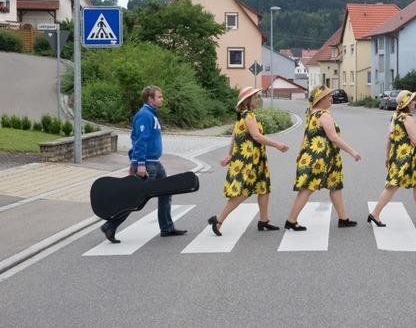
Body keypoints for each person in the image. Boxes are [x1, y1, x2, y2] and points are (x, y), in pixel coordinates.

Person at [100, 85, 187, 243]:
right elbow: (140, 141)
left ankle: (167, 228)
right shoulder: (144, 115)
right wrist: (139, 164)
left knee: (166, 193)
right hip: (147, 164)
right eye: (159, 97)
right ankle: (110, 225)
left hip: (154, 163)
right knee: (135, 198)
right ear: (150, 99)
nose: (162, 99)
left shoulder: (151, 114)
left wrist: (134, 162)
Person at [207, 87, 289, 236]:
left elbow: (234, 135)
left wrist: (230, 154)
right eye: (256, 97)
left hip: (255, 158)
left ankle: (264, 220)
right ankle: (218, 219)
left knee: (264, 188)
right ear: (248, 101)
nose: (258, 99)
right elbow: (256, 136)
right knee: (243, 192)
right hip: (249, 159)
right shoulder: (248, 116)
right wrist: (277, 145)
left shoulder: (242, 116)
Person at [285, 85, 361, 231]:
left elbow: (307, 136)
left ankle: (343, 218)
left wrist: (301, 153)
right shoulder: (323, 115)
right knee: (307, 188)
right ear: (321, 99)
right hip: (319, 158)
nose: (331, 98)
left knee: (336, 186)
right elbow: (334, 138)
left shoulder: (312, 113)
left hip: (326, 157)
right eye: (328, 96)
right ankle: (291, 220)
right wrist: (352, 152)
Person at [368, 90, 416, 227]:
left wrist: (387, 156)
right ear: (407, 103)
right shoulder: (407, 119)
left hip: (403, 157)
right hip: (405, 158)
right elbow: (415, 140)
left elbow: (389, 139)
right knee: (392, 186)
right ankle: (375, 214)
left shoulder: (396, 117)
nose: (415, 102)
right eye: (412, 100)